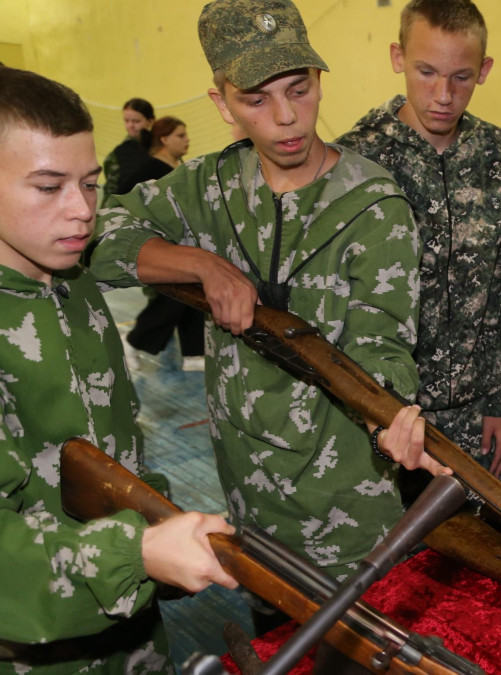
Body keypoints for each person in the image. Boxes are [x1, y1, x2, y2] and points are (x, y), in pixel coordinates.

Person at [89, 0, 441, 582]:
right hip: (245, 493)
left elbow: (382, 344)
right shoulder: (209, 186)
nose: (287, 118)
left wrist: (389, 417)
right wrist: (202, 264)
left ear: (320, 82)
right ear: (220, 103)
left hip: (343, 503)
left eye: (300, 90)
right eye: (256, 100)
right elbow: (96, 235)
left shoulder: (373, 204)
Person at [0, 67, 235, 675]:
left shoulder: (71, 281)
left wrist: (160, 527)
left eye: (89, 183)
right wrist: (136, 553)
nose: (82, 211)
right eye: (48, 187)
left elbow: (112, 451)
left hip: (132, 633)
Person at [338, 0, 501, 479]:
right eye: (426, 72)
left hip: (475, 413)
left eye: (461, 77)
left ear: (484, 70)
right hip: (382, 417)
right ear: (397, 57)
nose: (443, 95)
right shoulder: (355, 160)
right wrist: (372, 409)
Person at [121, 117, 207, 371]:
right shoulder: (150, 168)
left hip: (183, 243)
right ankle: (134, 341)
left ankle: (194, 353)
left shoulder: (178, 167)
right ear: (164, 139)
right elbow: (123, 198)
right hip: (159, 246)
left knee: (192, 292)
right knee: (174, 298)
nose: (187, 140)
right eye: (180, 135)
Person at [100, 97, 154, 208]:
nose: (130, 125)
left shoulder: (160, 149)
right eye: (126, 120)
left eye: (136, 121)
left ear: (150, 121)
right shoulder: (118, 154)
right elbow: (111, 191)